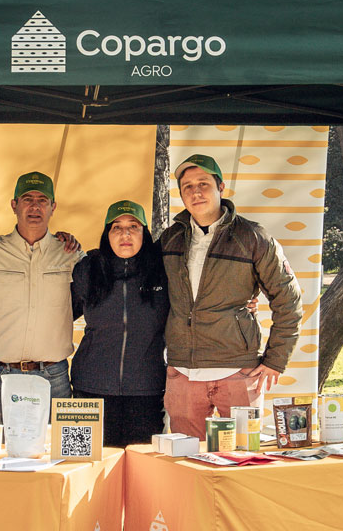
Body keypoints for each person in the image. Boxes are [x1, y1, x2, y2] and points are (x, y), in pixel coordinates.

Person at [160, 153, 303, 439]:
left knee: (242, 458)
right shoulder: (170, 238)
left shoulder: (252, 238)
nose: (196, 192)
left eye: (203, 183)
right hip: (183, 372)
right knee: (186, 465)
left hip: (238, 371)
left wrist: (275, 360)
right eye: (187, 186)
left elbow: (289, 301)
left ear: (221, 187)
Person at [0, 171, 83, 403]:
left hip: (53, 376)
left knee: (53, 441)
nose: (35, 207)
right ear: (14, 205)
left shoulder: (70, 254)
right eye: (27, 200)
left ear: (53, 207)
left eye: (42, 200)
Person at [71, 201, 169, 446]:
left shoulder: (163, 270)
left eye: (133, 226)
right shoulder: (88, 268)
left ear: (145, 234)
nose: (125, 234)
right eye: (117, 227)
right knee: (86, 465)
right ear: (107, 234)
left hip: (146, 392)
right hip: (89, 389)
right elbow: (59, 312)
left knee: (142, 470)